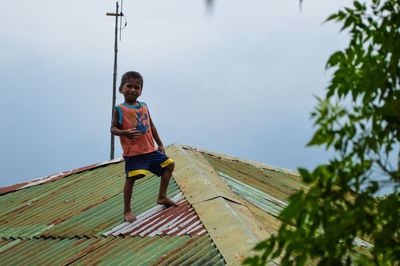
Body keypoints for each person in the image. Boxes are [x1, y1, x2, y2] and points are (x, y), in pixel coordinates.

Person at [111, 71, 178, 223]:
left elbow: (151, 126)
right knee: (131, 179)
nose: (133, 90)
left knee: (169, 165)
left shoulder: (144, 107)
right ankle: (127, 210)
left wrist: (160, 143)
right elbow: (113, 129)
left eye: (137, 87)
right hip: (134, 154)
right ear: (121, 89)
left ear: (141, 91)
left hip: (150, 150)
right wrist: (124, 132)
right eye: (129, 86)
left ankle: (162, 196)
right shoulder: (119, 109)